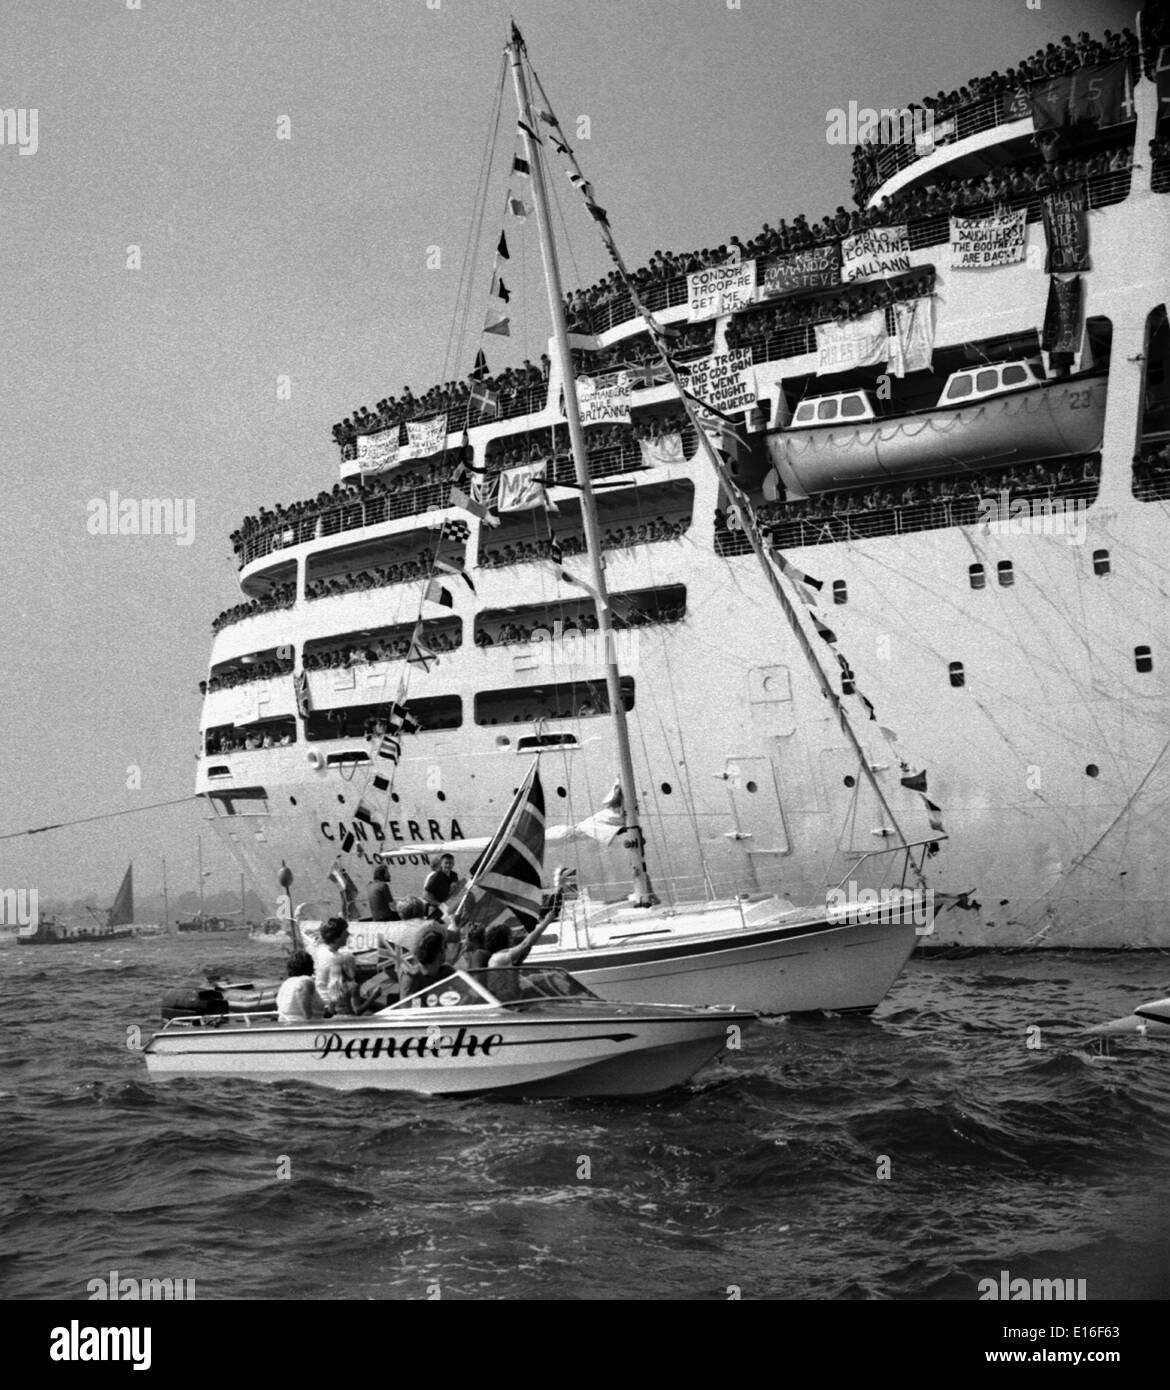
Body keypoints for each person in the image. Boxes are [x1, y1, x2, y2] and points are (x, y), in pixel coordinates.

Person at [306, 917, 361, 1015]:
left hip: (321, 1000)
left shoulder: (319, 950)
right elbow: (352, 984)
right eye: (345, 932)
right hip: (332, 1006)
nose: (348, 934)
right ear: (337, 936)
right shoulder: (340, 958)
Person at [396, 926, 456, 1003]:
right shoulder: (412, 979)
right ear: (440, 952)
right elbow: (410, 1010)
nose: (447, 950)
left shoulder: (447, 972)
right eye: (445, 947)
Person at [276, 950, 327, 1023]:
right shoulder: (306, 981)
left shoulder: (286, 983)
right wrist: (308, 1018)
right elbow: (301, 992)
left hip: (285, 1023)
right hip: (303, 1026)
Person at [423, 853, 461, 920]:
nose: (448, 865)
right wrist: (440, 905)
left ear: (453, 864)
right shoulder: (436, 876)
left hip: (449, 908)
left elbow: (455, 889)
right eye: (446, 863)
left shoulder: (454, 875)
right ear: (441, 864)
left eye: (450, 863)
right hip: (435, 909)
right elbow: (426, 895)